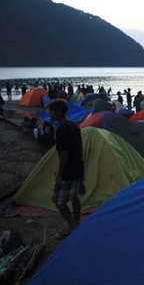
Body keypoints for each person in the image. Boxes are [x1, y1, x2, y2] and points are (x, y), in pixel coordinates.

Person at [48, 99, 86, 238]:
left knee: (58, 201)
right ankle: (77, 222)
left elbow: (64, 154)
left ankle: (72, 226)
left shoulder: (62, 130)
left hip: (69, 171)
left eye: (51, 111)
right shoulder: (74, 126)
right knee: (75, 196)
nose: (50, 114)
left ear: (58, 112)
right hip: (79, 167)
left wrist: (59, 175)